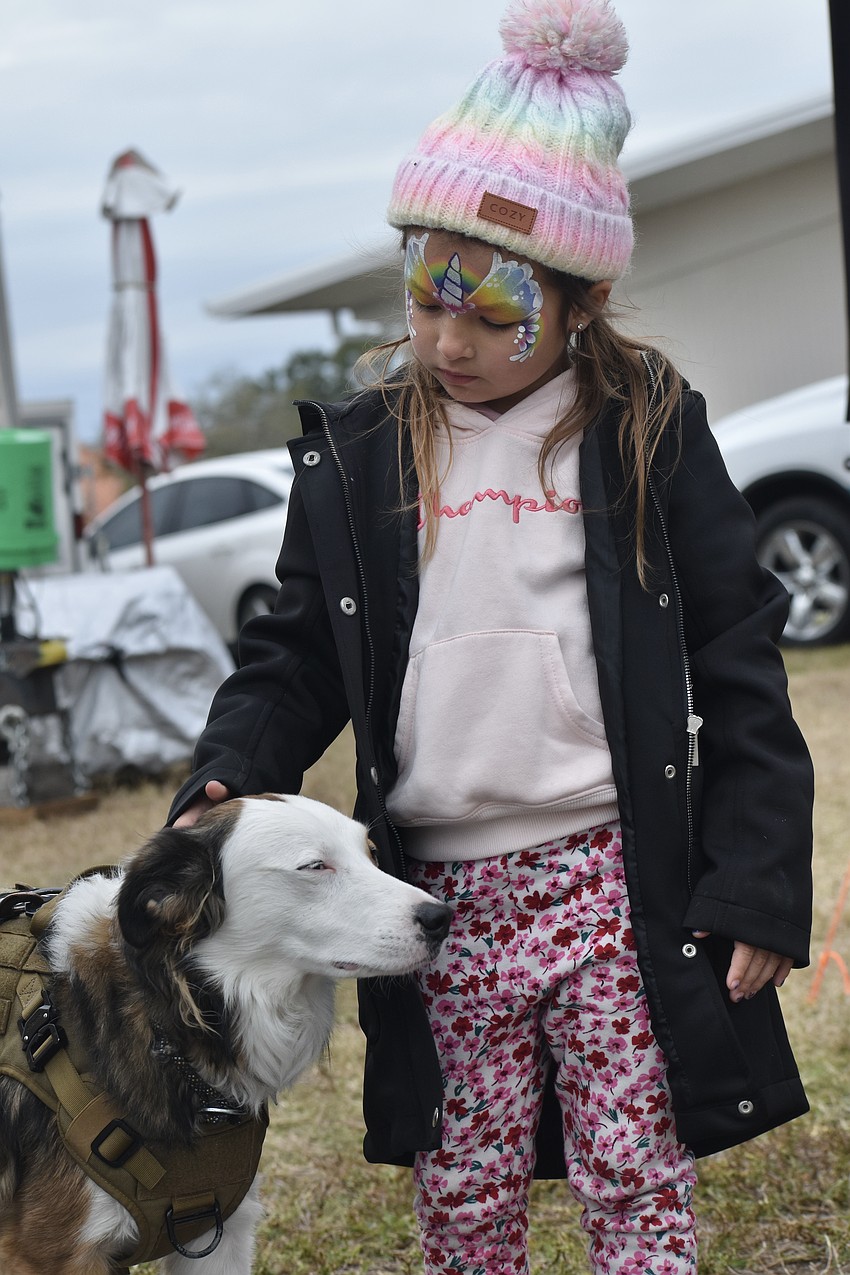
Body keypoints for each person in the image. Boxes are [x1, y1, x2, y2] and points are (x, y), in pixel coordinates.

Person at [170, 0, 814, 1270]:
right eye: (427, 300)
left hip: (606, 877)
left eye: (494, 313)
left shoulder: (644, 428)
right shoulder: (361, 453)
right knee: (464, 1184)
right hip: (432, 893)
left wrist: (756, 879)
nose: (449, 342)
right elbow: (294, 651)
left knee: (636, 1170)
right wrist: (230, 769)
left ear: (581, 299)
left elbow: (739, 651)